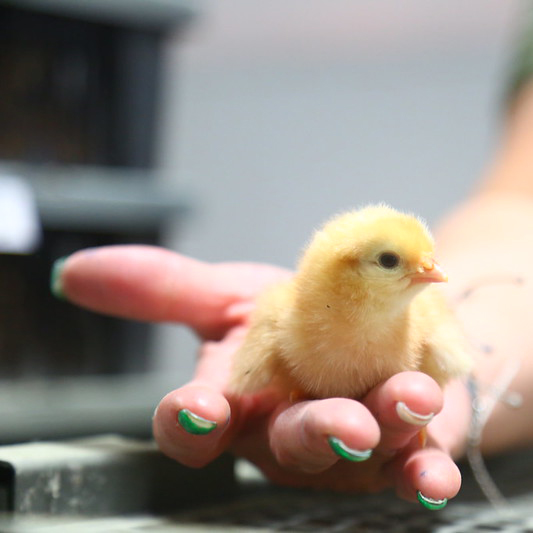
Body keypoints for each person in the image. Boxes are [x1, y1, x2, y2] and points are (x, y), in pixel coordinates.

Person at [49, 15, 533, 509]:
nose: (428, 272)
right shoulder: (291, 321)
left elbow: (455, 358)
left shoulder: (421, 327)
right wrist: (480, 388)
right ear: (341, 273)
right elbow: (518, 211)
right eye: (391, 261)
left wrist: (469, 381)